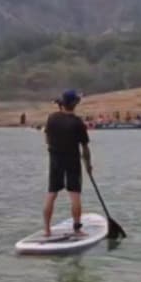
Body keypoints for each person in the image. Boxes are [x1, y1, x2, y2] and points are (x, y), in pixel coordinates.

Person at [42, 89, 92, 239]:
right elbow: (85, 147)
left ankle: (46, 230)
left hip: (55, 160)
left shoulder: (52, 118)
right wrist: (88, 165)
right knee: (75, 195)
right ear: (75, 104)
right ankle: (77, 229)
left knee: (51, 194)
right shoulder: (78, 123)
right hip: (72, 161)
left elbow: (47, 138)